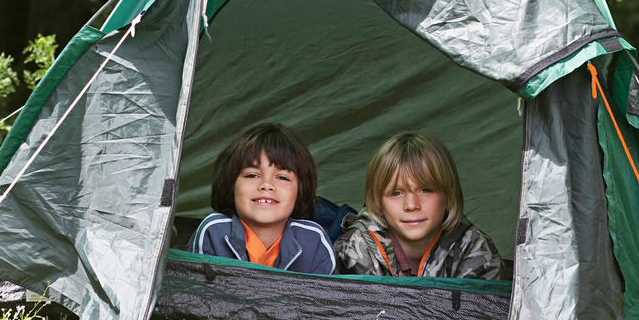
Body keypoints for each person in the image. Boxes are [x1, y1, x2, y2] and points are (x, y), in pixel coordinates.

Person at [334, 131, 508, 282]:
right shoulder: (354, 250)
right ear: (378, 203)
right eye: (396, 193)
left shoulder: (474, 249)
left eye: (425, 190)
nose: (411, 205)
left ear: (448, 196)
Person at [188, 123, 337, 275]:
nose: (266, 185)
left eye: (282, 177)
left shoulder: (314, 240)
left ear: (300, 190)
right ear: (230, 185)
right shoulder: (213, 232)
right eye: (252, 175)